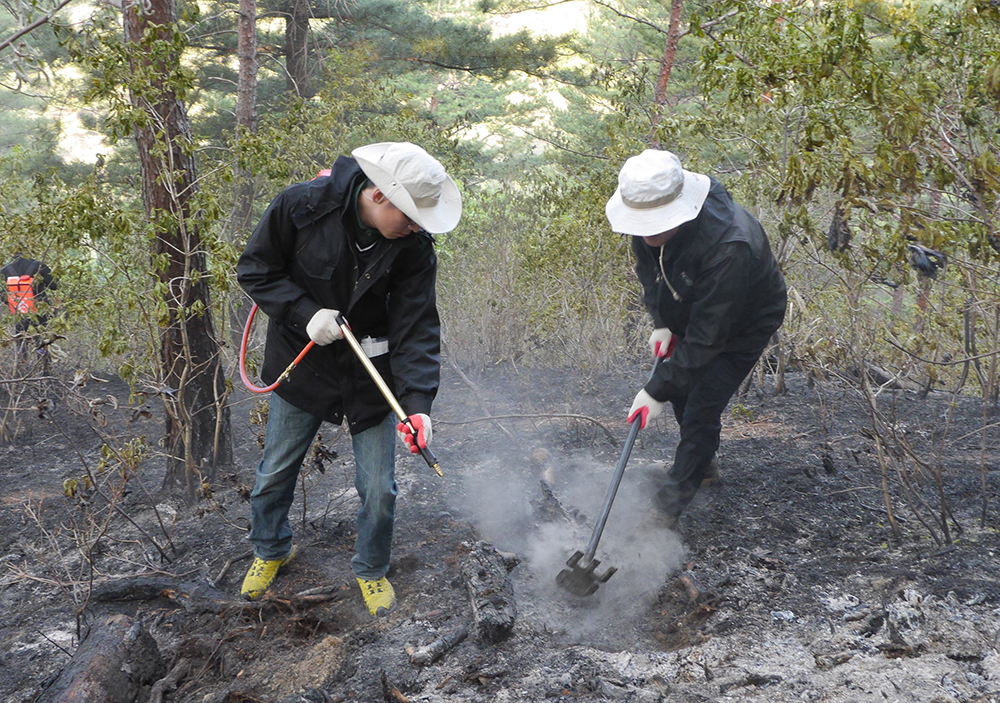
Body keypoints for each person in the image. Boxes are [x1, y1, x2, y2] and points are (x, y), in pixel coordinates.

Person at [236, 142, 461, 616]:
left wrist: (417, 402)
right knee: (275, 472)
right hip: (303, 366)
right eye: (411, 216)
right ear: (379, 196)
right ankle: (270, 550)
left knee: (379, 488)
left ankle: (372, 569)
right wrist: (303, 313)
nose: (418, 226)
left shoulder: (413, 248)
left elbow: (416, 328)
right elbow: (256, 269)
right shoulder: (300, 206)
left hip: (370, 381)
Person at [605, 149, 787, 530]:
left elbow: (707, 339)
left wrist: (655, 389)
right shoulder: (650, 224)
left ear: (679, 208)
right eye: (642, 224)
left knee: (703, 405)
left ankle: (665, 512)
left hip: (745, 321)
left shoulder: (729, 246)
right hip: (697, 303)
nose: (646, 233)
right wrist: (662, 320)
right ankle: (702, 466)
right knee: (684, 391)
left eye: (655, 224)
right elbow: (649, 270)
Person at [2, 254, 58, 374]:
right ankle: (45, 371)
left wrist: (10, 302)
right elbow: (54, 285)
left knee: (20, 340)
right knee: (42, 338)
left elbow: (1, 292)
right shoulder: (38, 265)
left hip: (18, 311)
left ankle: (21, 371)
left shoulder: (5, 269)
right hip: (38, 309)